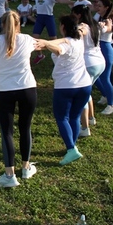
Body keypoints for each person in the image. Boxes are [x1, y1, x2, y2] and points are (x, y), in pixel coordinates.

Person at [0, 11, 43, 187]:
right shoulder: (28, 39)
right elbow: (48, 44)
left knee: (7, 132)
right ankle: (25, 168)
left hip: (5, 91)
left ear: (2, 25)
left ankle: (10, 175)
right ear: (19, 24)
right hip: (28, 90)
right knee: (25, 128)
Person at [37, 15, 93, 165]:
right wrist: (48, 42)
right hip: (84, 85)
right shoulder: (78, 39)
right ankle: (72, 145)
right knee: (74, 117)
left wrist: (46, 44)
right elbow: (69, 38)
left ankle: (71, 149)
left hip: (66, 86)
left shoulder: (66, 44)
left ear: (63, 27)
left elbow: (59, 49)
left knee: (62, 118)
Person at [10, 0, 72, 64]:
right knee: (35, 38)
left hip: (48, 18)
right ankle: (40, 55)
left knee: (53, 39)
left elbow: (60, 0)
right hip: (39, 18)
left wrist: (72, 2)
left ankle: (59, 56)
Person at [71, 5, 106, 137]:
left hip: (89, 64)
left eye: (73, 14)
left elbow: (81, 31)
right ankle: (91, 119)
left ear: (79, 15)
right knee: (87, 92)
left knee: (82, 96)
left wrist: (75, 31)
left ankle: (84, 128)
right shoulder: (95, 24)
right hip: (99, 62)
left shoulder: (83, 26)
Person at [92, 0, 113, 115]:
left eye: (100, 6)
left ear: (106, 8)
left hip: (106, 50)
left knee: (105, 78)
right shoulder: (98, 17)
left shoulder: (109, 20)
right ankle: (105, 95)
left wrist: (101, 26)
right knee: (95, 76)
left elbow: (105, 29)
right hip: (98, 49)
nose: (97, 8)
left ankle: (111, 105)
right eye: (97, 5)